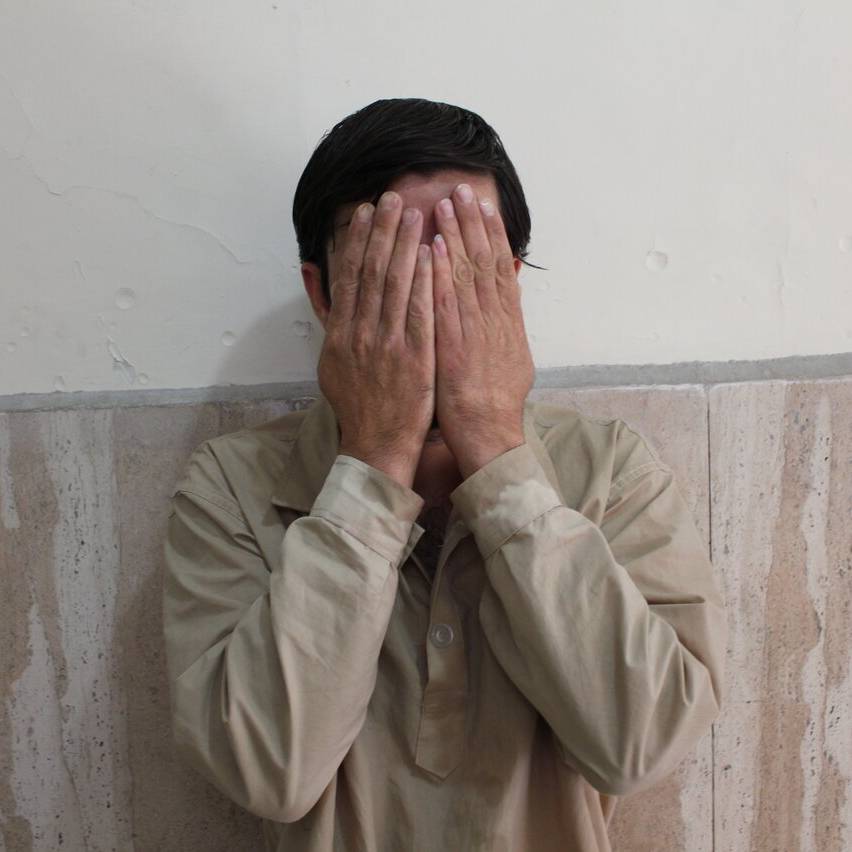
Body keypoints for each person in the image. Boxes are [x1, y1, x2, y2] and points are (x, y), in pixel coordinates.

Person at [162, 97, 727, 851]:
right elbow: (267, 772)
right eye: (388, 268)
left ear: (509, 283)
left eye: (461, 265)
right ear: (322, 294)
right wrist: (374, 457)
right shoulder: (232, 484)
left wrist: (494, 445)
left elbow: (642, 744)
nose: (426, 307)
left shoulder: (611, 470)